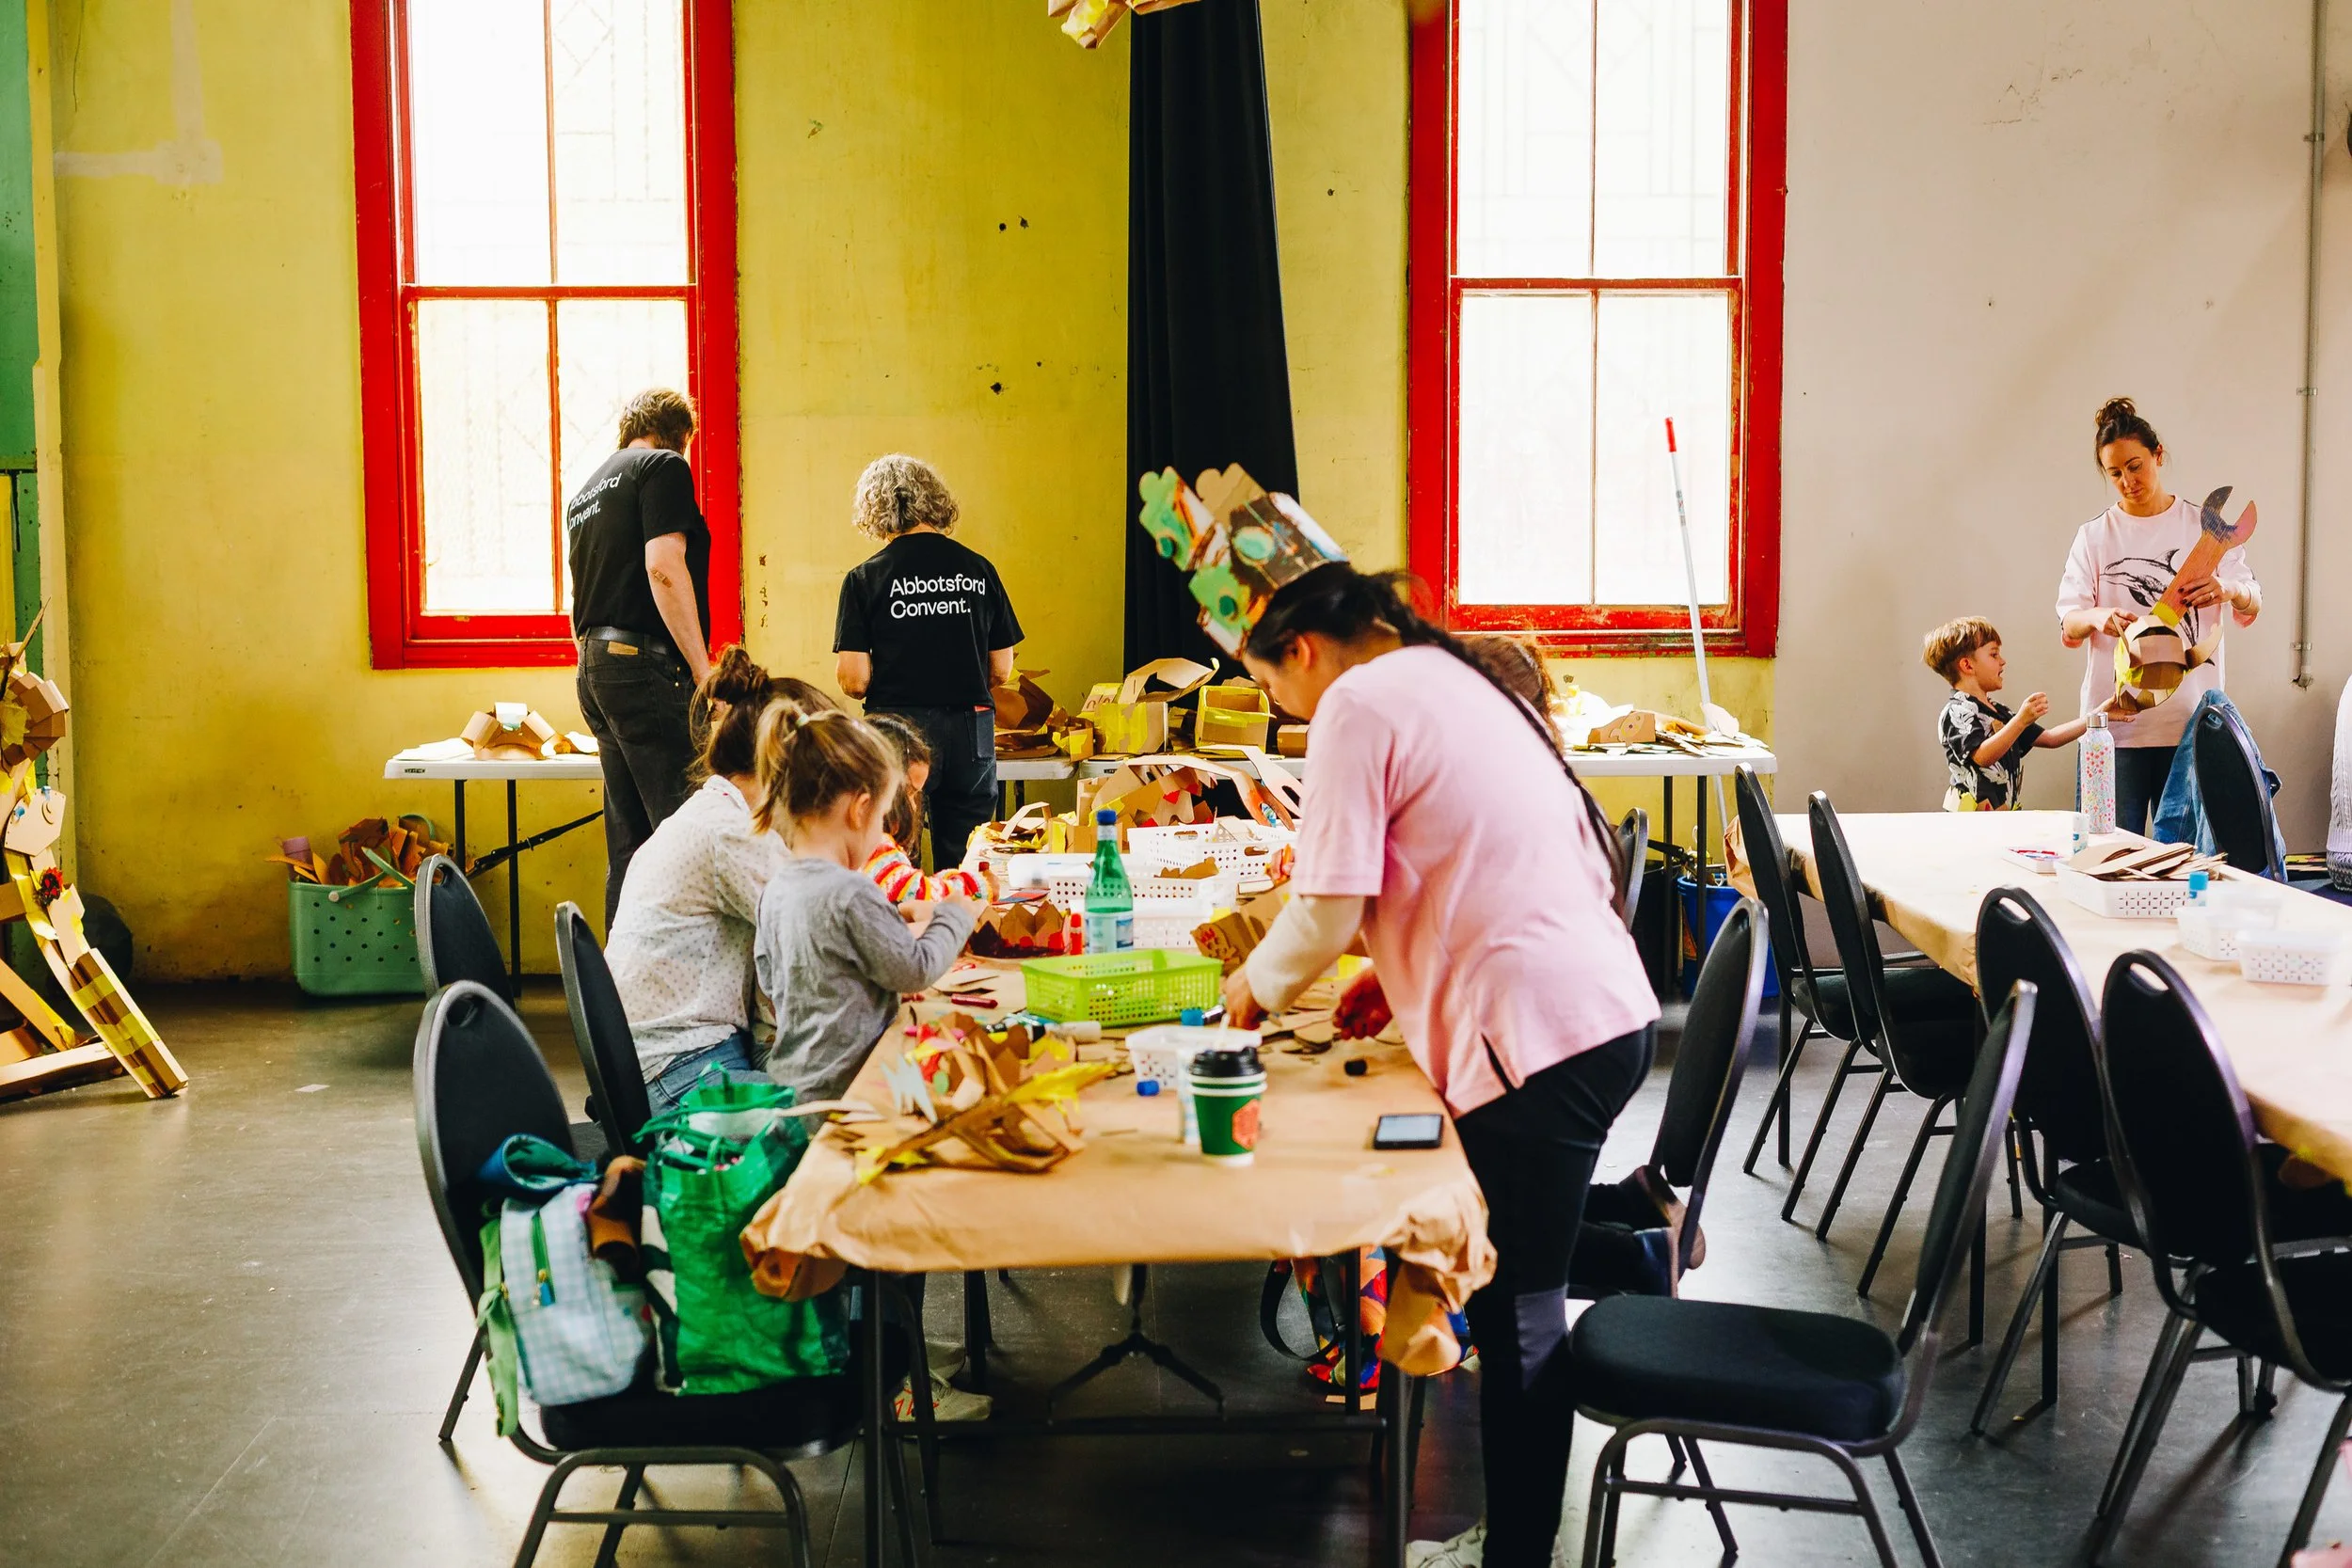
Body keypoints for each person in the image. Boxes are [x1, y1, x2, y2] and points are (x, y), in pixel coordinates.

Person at [1220, 564, 1661, 1568]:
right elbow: (1466, 859)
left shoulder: (1356, 701)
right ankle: (1637, 1255)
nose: (1280, 712)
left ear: (1302, 650)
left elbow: (1326, 904)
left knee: (1514, 1311)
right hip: (1593, 1007)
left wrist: (1251, 985)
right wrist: (1398, 965)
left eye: (1270, 688)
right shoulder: (1451, 675)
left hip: (1537, 1034)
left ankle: (1516, 1552)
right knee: (1504, 1258)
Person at [605, 649, 834, 1117]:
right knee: (853, 1110)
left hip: (663, 1060)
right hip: (682, 1071)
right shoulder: (734, 834)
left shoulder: (718, 811)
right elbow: (825, 942)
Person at [751, 707, 977, 1108]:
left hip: (793, 1089)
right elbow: (916, 969)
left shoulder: (777, 887)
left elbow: (773, 980)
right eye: (881, 817)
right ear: (859, 809)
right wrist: (954, 915)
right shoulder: (851, 891)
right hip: (848, 1094)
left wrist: (889, 921)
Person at [2056, 397, 2259, 833]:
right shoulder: (2093, 537)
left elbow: (2252, 600)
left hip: (2188, 729)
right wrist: (2097, 616)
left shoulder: (2203, 529)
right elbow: (2069, 621)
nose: (2128, 481)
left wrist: (2229, 589)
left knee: (2181, 866)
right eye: (2115, 473)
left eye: (2136, 466)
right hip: (2112, 728)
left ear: (2158, 455)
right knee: (2103, 855)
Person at [568, 388, 717, 925]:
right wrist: (704, 674)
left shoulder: (586, 491)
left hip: (593, 664)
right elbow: (663, 566)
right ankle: (684, 993)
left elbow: (579, 597)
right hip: (642, 664)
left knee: (629, 844)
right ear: (680, 438)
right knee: (683, 836)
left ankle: (618, 994)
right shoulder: (663, 467)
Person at [834, 454, 1023, 876]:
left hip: (898, 730)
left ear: (874, 510)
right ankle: (968, 936)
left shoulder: (865, 579)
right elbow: (1002, 669)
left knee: (895, 856)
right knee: (970, 860)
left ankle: (906, 938)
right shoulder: (978, 569)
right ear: (934, 501)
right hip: (971, 729)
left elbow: (855, 678)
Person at [1923, 615, 2109, 811]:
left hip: (2004, 818)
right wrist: (2020, 720)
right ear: (1967, 666)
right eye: (1994, 655)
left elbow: (2050, 738)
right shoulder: (1956, 711)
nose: (2002, 661)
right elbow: (1982, 756)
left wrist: (2101, 713)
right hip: (1973, 825)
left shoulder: (1999, 712)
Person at [864, 714, 993, 906]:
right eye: (909, 793)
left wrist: (950, 878)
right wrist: (976, 885)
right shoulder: (874, 845)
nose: (915, 806)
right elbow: (917, 893)